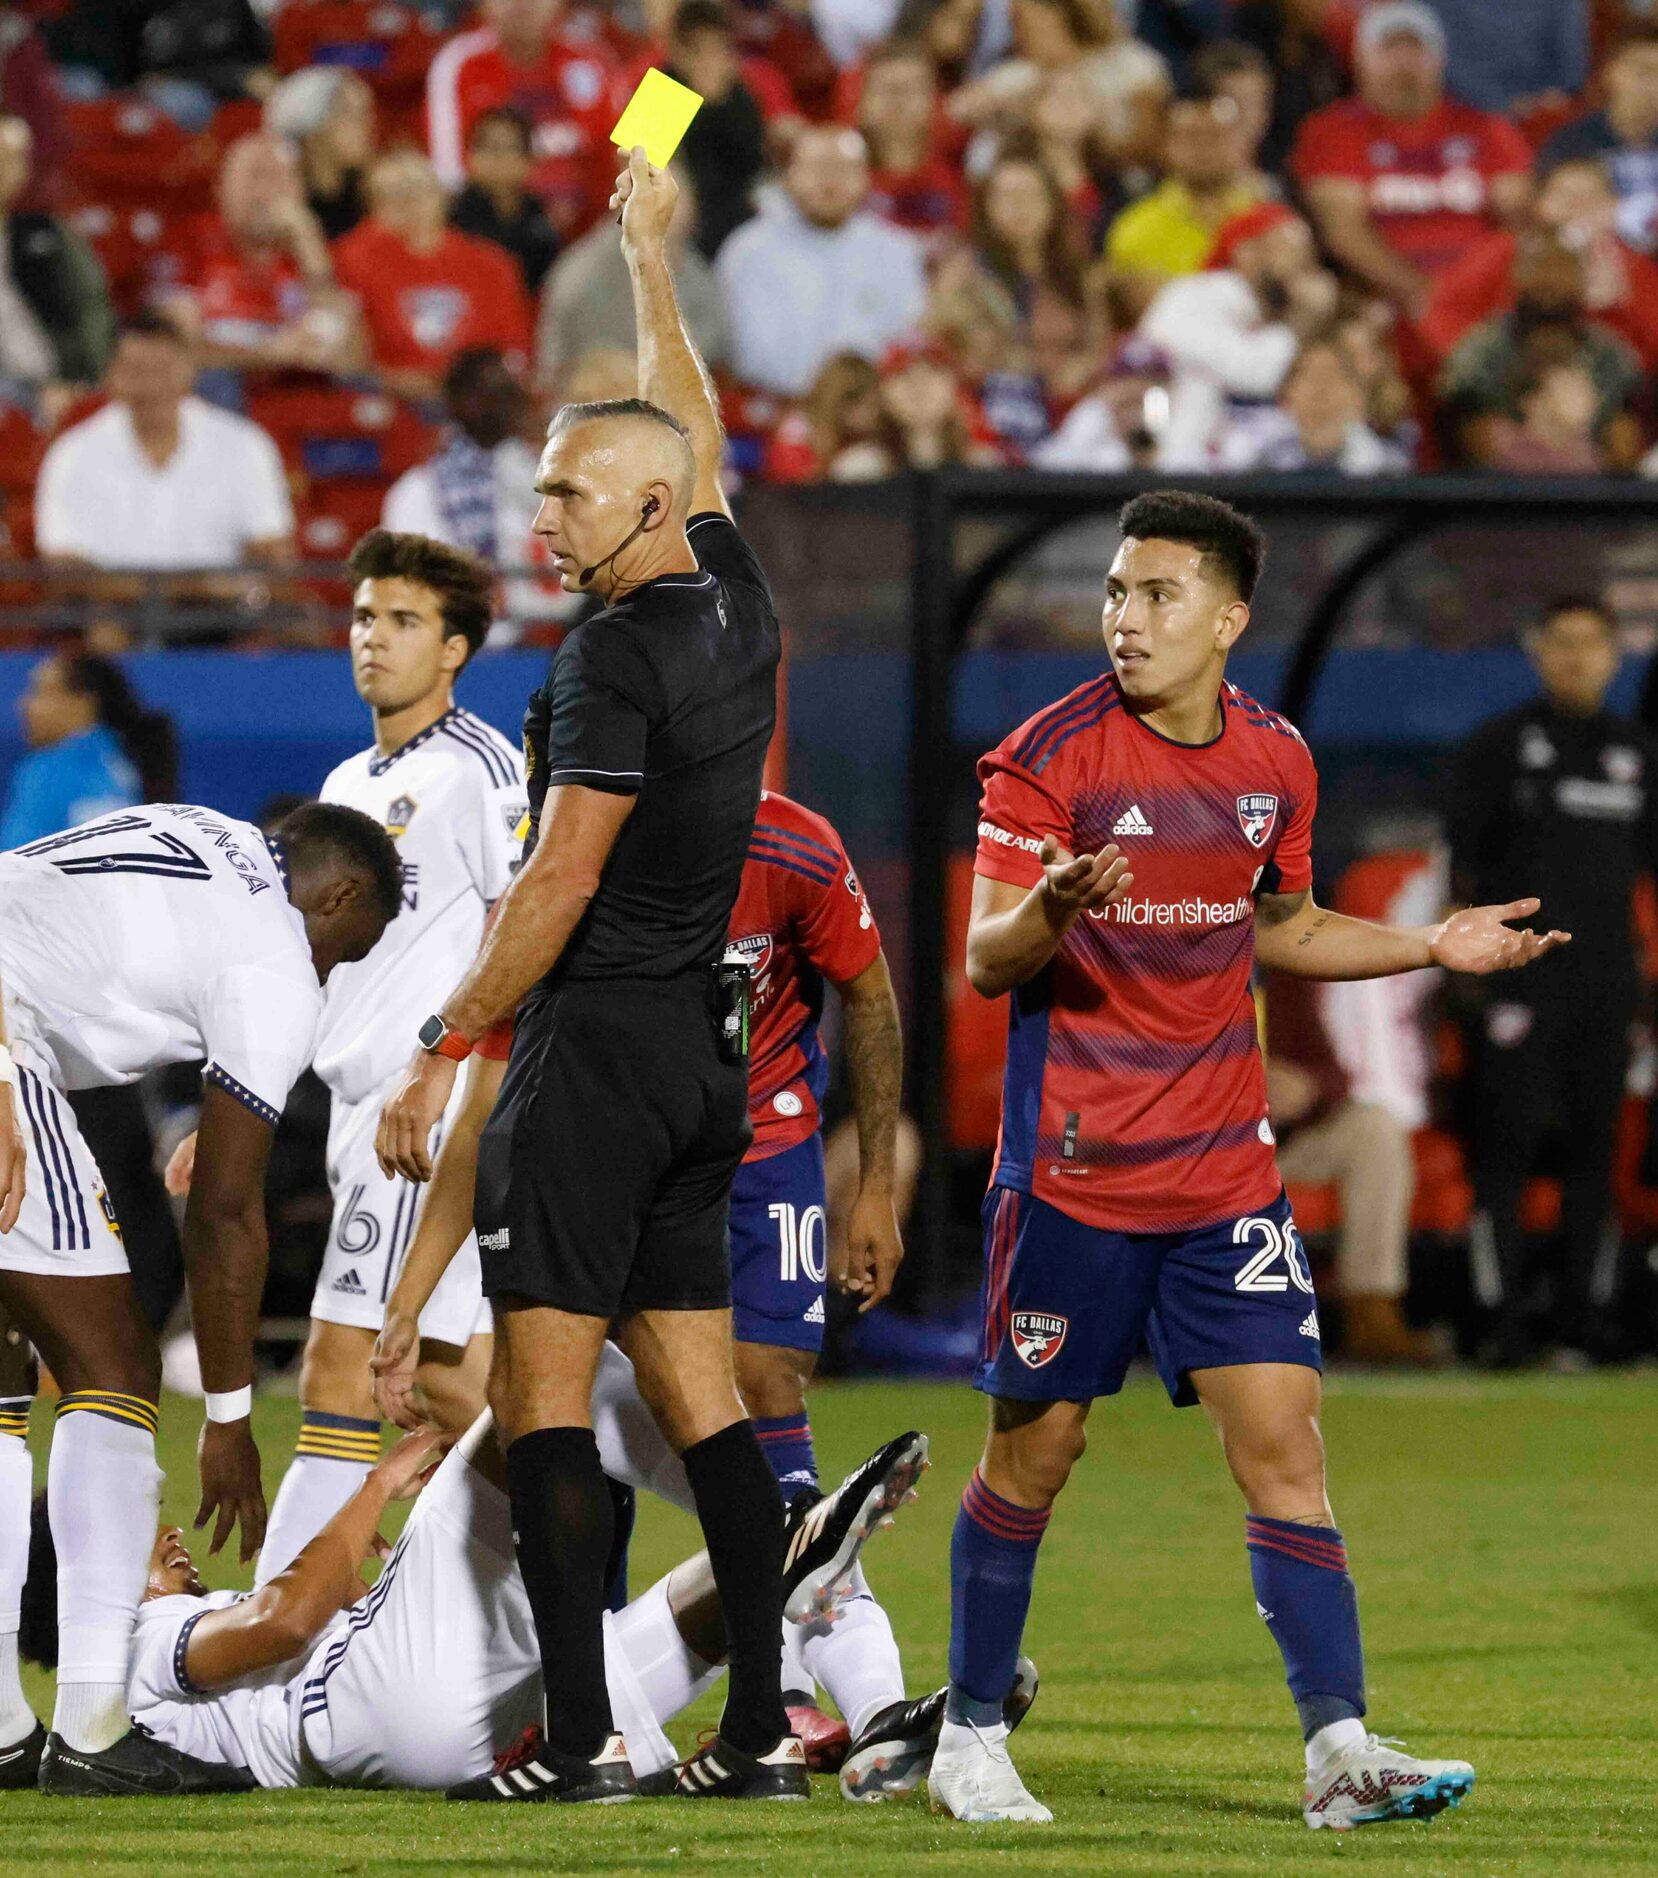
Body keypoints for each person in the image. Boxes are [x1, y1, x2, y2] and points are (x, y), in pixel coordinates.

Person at [932, 487, 1568, 1828]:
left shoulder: (1274, 761)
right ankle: (970, 1733)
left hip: (1221, 1175)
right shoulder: (1047, 758)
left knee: (1284, 1446)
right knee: (1033, 1456)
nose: (1124, 618)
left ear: (1226, 617)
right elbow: (985, 958)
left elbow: (1277, 921)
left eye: (1155, 595)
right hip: (1073, 1178)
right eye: (1112, 592)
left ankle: (1336, 1751)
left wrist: (1424, 944)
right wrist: (1047, 905)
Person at [374, 146, 792, 1804]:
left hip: (597, 1046)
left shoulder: (607, 653)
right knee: (700, 1393)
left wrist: (444, 1041)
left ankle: (589, 1738)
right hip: (702, 1051)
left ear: (634, 508)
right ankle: (758, 1730)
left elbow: (559, 872)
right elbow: (688, 427)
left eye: (563, 491)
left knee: (545, 1389)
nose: (535, 512)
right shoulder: (736, 602)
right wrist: (648, 263)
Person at [376, 785, 910, 1768]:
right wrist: (410, 1292)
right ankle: (726, 1686)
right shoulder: (559, 877)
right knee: (586, 1412)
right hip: (610, 1155)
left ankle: (831, 1700)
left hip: (753, 1145)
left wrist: (873, 1183)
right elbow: (490, 1084)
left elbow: (869, 995)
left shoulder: (790, 845)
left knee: (751, 1389)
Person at [0, 798, 400, 1793]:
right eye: (351, 948)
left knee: (7, 1384)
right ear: (342, 893)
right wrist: (227, 1418)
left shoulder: (194, 826)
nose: (336, 971)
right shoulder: (274, 963)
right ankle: (92, 1730)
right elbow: (227, 1212)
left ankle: (5, 1727)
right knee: (116, 1371)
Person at [14, 1410, 931, 1796]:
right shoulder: (135, 1643)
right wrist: (374, 1490)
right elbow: (280, 1625)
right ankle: (769, 1513)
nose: (166, 1534)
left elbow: (285, 1625)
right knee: (534, 1389)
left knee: (679, 1620)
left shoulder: (120, 1690)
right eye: (137, 1538)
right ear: (82, 1581)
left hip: (411, 1739)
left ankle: (781, 1555)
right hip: (354, 1706)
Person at [239, 531, 526, 1589]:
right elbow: (315, 972)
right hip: (359, 1110)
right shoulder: (346, 777)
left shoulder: (483, 770)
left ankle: (279, 1642)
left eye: (402, 621)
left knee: (356, 1367)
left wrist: (444, 1064)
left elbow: (524, 930)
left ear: (453, 649)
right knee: (449, 1386)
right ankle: (571, 1625)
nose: (373, 638)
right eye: (364, 617)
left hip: (425, 1115)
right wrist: (254, 1096)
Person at [1451, 597, 1658, 1366]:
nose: (1577, 657)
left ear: (1615, 656)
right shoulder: (1499, 747)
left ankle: (1584, 1315)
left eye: (1592, 644)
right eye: (1562, 642)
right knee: (1503, 1146)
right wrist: (1467, 974)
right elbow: (1460, 868)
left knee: (1595, 1150)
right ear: (1538, 650)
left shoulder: (1638, 752)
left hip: (1608, 985)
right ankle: (1497, 1316)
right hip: (1519, 984)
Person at [1290, 0, 1530, 319]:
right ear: (1360, 59)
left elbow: (1520, 216)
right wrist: (1421, 291)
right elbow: (1343, 232)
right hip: (1381, 298)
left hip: (1482, 295)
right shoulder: (1332, 131)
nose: (1404, 62)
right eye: (1389, 49)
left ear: (1440, 59)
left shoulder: (1487, 128)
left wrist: (1471, 290)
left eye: (1416, 48)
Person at [1261, 967, 1435, 1364]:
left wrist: (1309, 1087)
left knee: (1374, 1127)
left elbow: (1332, 1073)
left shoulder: (1279, 973)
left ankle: (1371, 1309)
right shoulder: (1173, 967)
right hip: (1200, 1143)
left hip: (1278, 1144)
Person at [35, 312, 295, 574]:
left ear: (189, 371)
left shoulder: (244, 444)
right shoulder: (73, 452)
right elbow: (62, 561)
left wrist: (221, 589)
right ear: (111, 376)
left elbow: (272, 547)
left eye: (161, 369)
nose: (151, 386)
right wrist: (154, 594)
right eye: (137, 370)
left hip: (218, 609)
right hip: (111, 609)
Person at [715, 127, 928, 397]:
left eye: (843, 168)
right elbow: (748, 354)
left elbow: (905, 339)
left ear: (866, 178)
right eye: (816, 168)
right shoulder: (748, 251)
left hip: (874, 408)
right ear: (788, 176)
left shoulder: (895, 250)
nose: (829, 180)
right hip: (772, 414)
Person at [1137, 203, 1337, 470]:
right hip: (1162, 467)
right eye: (1289, 248)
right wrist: (1303, 319)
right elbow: (1254, 374)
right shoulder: (1193, 296)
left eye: (1307, 256)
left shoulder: (1271, 317)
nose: (1302, 265)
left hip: (1234, 475)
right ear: (1245, 252)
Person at [332, 151, 534, 404]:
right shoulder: (352, 261)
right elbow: (346, 358)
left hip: (476, 408)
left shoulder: (492, 265)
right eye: (389, 195)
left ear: (442, 196)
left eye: (416, 189)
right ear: (370, 207)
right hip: (388, 405)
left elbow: (515, 353)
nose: (407, 204)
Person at [1437, 232, 1644, 473]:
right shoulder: (1482, 349)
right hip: (1499, 494)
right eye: (1538, 267)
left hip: (1592, 494)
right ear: (1517, 275)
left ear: (1581, 279)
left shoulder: (1608, 354)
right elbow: (1473, 441)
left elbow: (1624, 449)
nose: (1549, 280)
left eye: (1561, 268)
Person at [164, 130, 358, 380]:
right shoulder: (189, 241)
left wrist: (308, 245)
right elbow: (171, 354)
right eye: (258, 176)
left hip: (302, 395)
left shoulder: (319, 255)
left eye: (285, 177)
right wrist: (267, 355)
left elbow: (353, 361)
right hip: (224, 396)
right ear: (220, 186)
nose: (271, 192)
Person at [426, 0, 622, 240]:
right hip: (494, 234)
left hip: (597, 233)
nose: (523, 4)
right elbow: (449, 175)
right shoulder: (458, 63)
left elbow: (629, 158)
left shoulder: (594, 59)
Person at [537, 167, 728, 394]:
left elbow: (715, 348)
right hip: (597, 409)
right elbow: (570, 372)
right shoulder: (586, 274)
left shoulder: (692, 266)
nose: (677, 207)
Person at [1103, 92, 1263, 318]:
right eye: (1190, 137)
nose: (1205, 147)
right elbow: (1151, 314)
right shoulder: (1134, 228)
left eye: (1217, 136)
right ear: (1165, 146)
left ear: (1243, 145)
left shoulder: (1273, 223)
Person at [0, 115, 113, 420]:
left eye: (14, 159)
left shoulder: (50, 234)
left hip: (56, 380)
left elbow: (90, 307)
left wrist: (84, 377)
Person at [0, 653, 175, 850]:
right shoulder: (125, 766)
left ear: (83, 703)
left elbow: (13, 865)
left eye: (40, 692)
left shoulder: (46, 772)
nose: (24, 705)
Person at [1540, 27, 1658, 253]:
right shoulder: (1572, 142)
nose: (1652, 85)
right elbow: (1549, 213)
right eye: (1644, 71)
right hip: (1593, 263)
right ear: (1612, 72)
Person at [448, 107, 561, 296]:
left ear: (529, 160)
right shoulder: (454, 220)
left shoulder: (540, 220)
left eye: (510, 148)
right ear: (470, 156)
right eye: (489, 147)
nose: (499, 158)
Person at [264, 66, 377, 242]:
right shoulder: (283, 206)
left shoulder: (374, 194)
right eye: (353, 115)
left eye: (367, 114)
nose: (368, 125)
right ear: (314, 129)